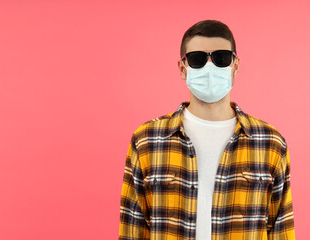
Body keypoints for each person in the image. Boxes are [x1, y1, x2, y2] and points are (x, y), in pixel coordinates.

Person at [118, 19, 295, 240]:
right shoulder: (147, 141)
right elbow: (132, 231)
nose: (209, 67)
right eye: (197, 59)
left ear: (235, 66)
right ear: (183, 69)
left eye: (221, 58)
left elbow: (281, 232)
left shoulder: (270, 143)